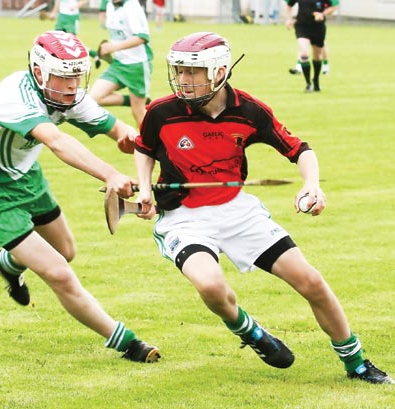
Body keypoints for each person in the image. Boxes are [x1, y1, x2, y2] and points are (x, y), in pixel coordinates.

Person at [133, 31, 393, 383]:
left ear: (220, 71)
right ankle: (250, 332)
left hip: (238, 212)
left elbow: (300, 149)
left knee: (311, 282)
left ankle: (357, 363)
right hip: (184, 219)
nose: (183, 80)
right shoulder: (161, 113)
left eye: (192, 72)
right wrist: (145, 190)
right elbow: (144, 149)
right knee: (210, 286)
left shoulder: (250, 111)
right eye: (178, 71)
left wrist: (311, 185)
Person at [0, 30, 160, 364]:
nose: (72, 85)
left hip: (28, 179)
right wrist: (110, 174)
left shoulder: (69, 95)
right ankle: (127, 342)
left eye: (77, 76)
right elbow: (56, 141)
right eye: (64, 77)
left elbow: (119, 129)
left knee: (66, 252)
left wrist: (138, 152)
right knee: (58, 272)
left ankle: (6, 263)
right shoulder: (15, 95)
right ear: (39, 72)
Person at [88, 0, 153, 128]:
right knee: (92, 99)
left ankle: (154, 145)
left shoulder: (132, 6)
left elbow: (142, 37)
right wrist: (107, 51)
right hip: (118, 65)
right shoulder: (110, 5)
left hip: (136, 66)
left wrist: (113, 47)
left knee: (138, 113)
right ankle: (132, 101)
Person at [285, 0, 339, 92]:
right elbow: (289, 4)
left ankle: (316, 80)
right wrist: (289, 18)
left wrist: (322, 14)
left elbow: (334, 6)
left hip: (318, 27)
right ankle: (308, 84)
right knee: (304, 53)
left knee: (317, 56)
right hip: (302, 26)